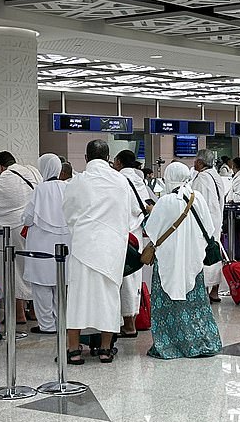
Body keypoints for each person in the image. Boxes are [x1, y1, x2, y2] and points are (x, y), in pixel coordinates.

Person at [143, 162, 222, 359]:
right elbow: (209, 229)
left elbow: (151, 230)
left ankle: (168, 345)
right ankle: (201, 342)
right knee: (194, 305)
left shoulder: (166, 201)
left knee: (168, 305)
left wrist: (152, 213)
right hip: (193, 261)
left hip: (168, 262)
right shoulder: (198, 198)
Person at [63, 139, 130, 364]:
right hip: (111, 248)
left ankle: (73, 349)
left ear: (86, 158)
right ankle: (104, 349)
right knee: (108, 298)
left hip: (84, 246)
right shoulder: (121, 181)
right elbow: (125, 215)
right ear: (109, 157)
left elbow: (68, 213)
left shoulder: (79, 181)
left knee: (78, 297)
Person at [0, 151, 42, 327]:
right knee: (31, 270)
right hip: (34, 229)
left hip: (12, 232)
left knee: (11, 271)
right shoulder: (32, 172)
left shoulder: (3, 179)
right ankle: (35, 312)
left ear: (0, 166)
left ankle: (18, 313)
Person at [22, 154, 69, 335]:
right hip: (64, 244)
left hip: (41, 244)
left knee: (41, 288)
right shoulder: (68, 187)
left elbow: (27, 218)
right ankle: (61, 323)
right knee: (61, 285)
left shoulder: (39, 189)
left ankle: (47, 325)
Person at [114, 149, 154, 337]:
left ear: (120, 162)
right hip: (137, 234)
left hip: (124, 234)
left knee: (124, 279)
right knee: (134, 279)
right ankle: (132, 319)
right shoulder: (140, 181)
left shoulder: (118, 180)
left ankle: (129, 325)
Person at [190, 149, 225, 303]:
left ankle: (204, 291)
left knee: (204, 256)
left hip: (204, 223)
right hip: (216, 220)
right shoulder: (215, 176)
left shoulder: (202, 178)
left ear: (200, 162)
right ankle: (215, 291)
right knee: (215, 254)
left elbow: (197, 202)